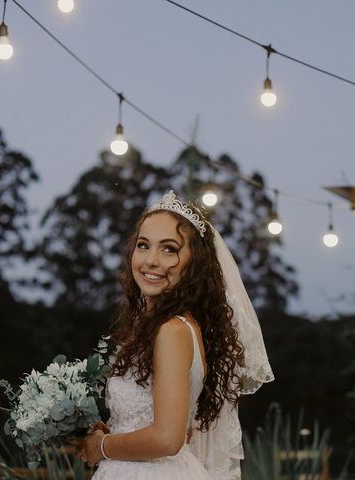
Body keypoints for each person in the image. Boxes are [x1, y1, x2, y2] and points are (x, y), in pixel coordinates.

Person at [77, 190, 273, 479]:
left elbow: (168, 439)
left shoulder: (172, 330)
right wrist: (111, 431)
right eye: (143, 245)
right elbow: (173, 426)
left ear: (194, 263)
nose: (151, 260)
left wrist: (101, 447)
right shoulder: (170, 327)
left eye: (169, 249)